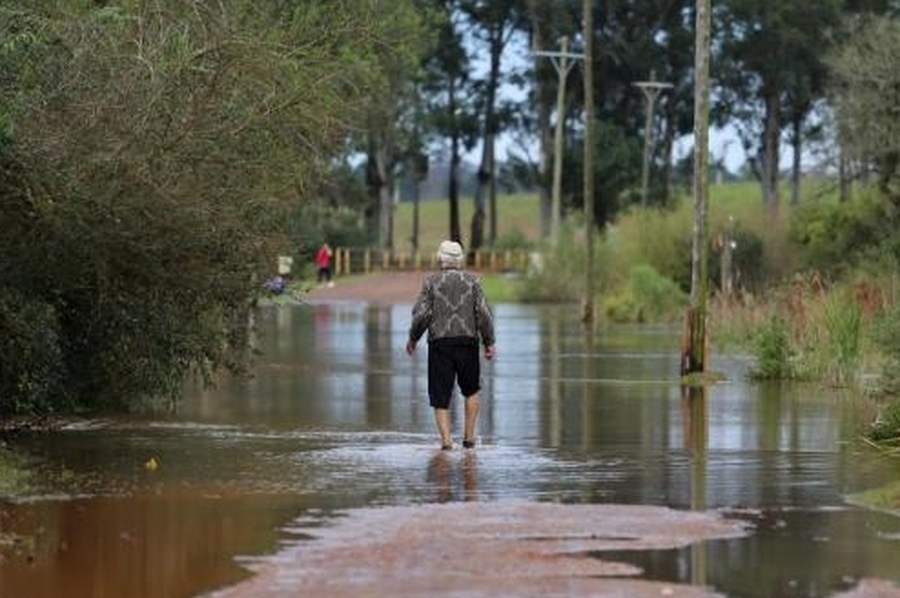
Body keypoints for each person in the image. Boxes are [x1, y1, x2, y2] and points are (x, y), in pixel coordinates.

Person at [406, 240, 495, 450]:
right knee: (471, 390)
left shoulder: (431, 282)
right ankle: (469, 439)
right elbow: (483, 313)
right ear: (461, 260)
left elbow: (422, 314)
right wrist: (489, 341)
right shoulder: (474, 281)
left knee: (440, 394)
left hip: (440, 343)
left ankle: (446, 443)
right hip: (468, 342)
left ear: (440, 258)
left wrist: (413, 338)